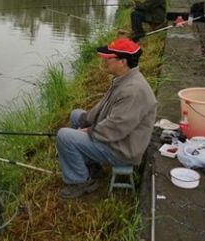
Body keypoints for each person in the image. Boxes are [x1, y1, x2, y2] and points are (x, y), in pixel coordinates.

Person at [56, 38, 157, 199]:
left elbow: (116, 128)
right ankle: (89, 164)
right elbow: (103, 106)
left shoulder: (133, 91)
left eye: (109, 57)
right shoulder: (124, 78)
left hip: (123, 149)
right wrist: (85, 120)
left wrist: (89, 132)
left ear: (123, 61)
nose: (105, 60)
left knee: (64, 136)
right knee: (76, 115)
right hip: (117, 137)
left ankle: (80, 181)